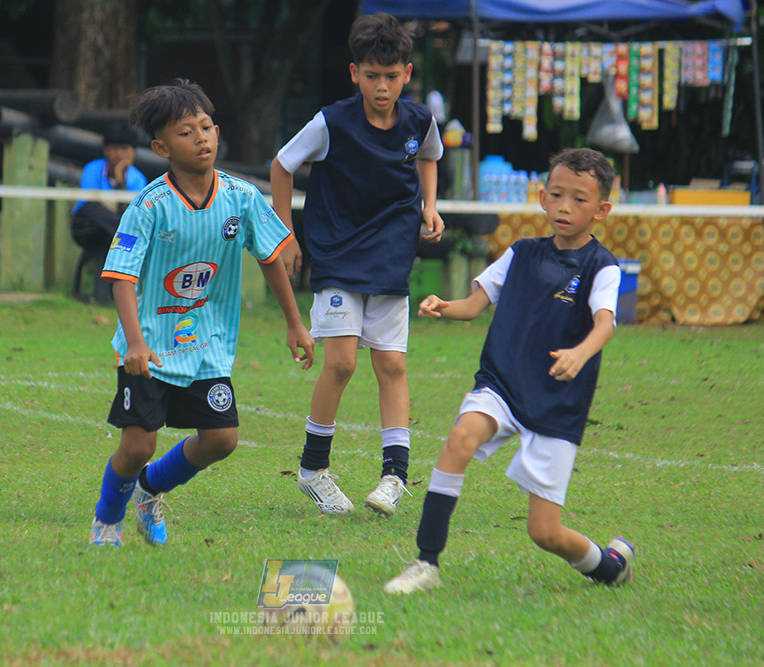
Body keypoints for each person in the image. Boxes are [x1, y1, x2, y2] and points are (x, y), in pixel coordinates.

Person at [384, 148, 635, 594]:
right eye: (556, 195)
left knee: (544, 532)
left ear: (602, 210)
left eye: (579, 199)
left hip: (557, 402)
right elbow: (476, 303)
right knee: (460, 439)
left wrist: (580, 353)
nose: (564, 206)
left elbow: (605, 322)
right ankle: (426, 563)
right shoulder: (521, 253)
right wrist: (446, 307)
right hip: (502, 384)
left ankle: (609, 565)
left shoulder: (603, 267)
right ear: (541, 197)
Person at [88, 79, 315, 548]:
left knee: (222, 439)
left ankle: (150, 490)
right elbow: (121, 277)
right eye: (187, 132)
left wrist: (294, 322)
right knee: (137, 446)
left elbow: (271, 256)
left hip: (207, 345)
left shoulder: (241, 196)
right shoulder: (150, 205)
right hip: (149, 345)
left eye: (207, 127)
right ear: (161, 146)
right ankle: (107, 520)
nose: (203, 138)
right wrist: (134, 342)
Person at [269, 12, 444, 518]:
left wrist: (429, 205)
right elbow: (281, 164)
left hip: (390, 254)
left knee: (392, 364)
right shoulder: (332, 121)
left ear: (407, 74)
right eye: (372, 76)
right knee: (342, 364)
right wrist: (285, 234)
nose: (382, 86)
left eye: (391, 76)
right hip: (339, 253)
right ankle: (313, 470)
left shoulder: (418, 122)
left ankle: (394, 476)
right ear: (354, 74)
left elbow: (430, 155)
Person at [70, 120, 148, 252]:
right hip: (87, 228)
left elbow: (128, 213)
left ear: (133, 152)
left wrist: (119, 178)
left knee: (113, 235)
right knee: (92, 207)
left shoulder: (138, 179)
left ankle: (124, 240)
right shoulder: (92, 169)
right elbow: (89, 205)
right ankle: (129, 241)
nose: (119, 154)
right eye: (115, 148)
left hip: (109, 232)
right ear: (106, 150)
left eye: (124, 149)